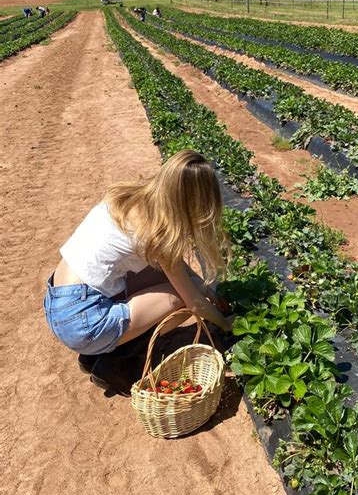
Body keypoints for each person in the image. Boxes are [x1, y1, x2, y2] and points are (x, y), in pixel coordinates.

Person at [43, 151, 234, 391]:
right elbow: (194, 303)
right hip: (84, 323)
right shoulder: (159, 234)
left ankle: (98, 352)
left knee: (170, 279)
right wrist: (226, 324)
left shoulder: (127, 201)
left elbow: (173, 268)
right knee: (182, 300)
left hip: (60, 305)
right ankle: (115, 361)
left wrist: (208, 290)